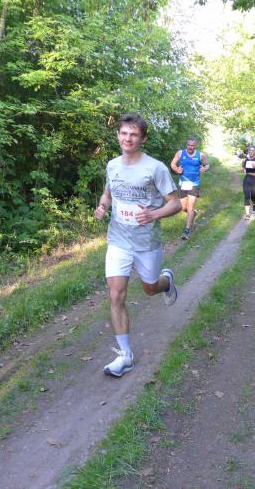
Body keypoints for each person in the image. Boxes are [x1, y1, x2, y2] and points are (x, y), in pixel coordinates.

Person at [94, 113, 181, 377]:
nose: (128, 138)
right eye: (124, 133)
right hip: (118, 240)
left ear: (142, 139)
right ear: (118, 135)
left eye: (133, 134)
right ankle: (125, 355)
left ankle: (166, 281)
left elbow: (175, 203)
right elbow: (108, 194)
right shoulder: (112, 166)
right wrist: (102, 206)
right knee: (116, 295)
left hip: (146, 242)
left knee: (150, 288)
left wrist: (153, 214)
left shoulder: (156, 168)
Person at [170, 137, 210, 240]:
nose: (190, 147)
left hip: (194, 184)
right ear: (186, 145)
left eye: (192, 145)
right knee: (183, 207)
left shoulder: (200, 155)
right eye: (189, 145)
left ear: (195, 146)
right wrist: (176, 169)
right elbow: (173, 164)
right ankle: (194, 213)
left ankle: (187, 231)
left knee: (190, 207)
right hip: (183, 183)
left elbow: (207, 165)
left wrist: (204, 168)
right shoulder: (180, 153)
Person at [241, 145, 255, 219]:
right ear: (248, 151)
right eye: (250, 150)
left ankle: (254, 202)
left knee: (254, 196)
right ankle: (247, 214)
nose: (251, 152)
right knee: (247, 196)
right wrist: (243, 169)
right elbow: (243, 167)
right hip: (247, 179)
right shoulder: (245, 159)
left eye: (252, 150)